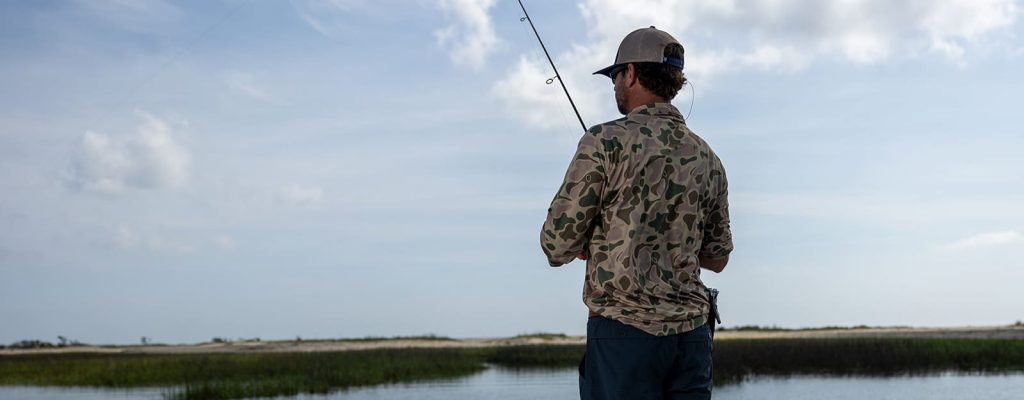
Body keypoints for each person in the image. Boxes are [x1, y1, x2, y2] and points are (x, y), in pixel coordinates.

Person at [540, 26, 733, 400]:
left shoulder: (604, 141)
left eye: (614, 75)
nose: (614, 84)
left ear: (630, 73)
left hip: (623, 336)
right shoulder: (709, 158)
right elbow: (718, 258)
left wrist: (592, 240)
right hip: (692, 341)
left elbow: (555, 245)